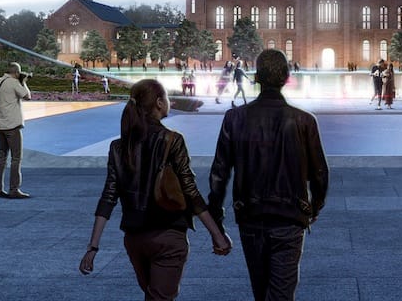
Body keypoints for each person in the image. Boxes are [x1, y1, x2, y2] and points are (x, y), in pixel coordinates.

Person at [78, 79, 232, 299]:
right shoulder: (172, 140)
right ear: (159, 103)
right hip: (167, 236)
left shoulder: (118, 147)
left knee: (153, 295)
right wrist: (217, 234)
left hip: (134, 240)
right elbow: (190, 191)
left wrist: (93, 247)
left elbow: (108, 196)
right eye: (167, 98)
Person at [208, 48, 329, 301]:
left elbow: (219, 173)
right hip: (289, 217)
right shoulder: (304, 121)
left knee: (262, 291)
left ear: (256, 77)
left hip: (250, 216)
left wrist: (216, 220)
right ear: (286, 76)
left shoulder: (234, 118)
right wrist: (314, 207)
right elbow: (319, 173)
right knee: (280, 293)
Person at [0, 62, 32, 199]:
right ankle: (14, 189)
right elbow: (27, 96)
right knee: (16, 158)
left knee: (1, 157)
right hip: (12, 126)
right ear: (16, 72)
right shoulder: (14, 83)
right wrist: (24, 82)